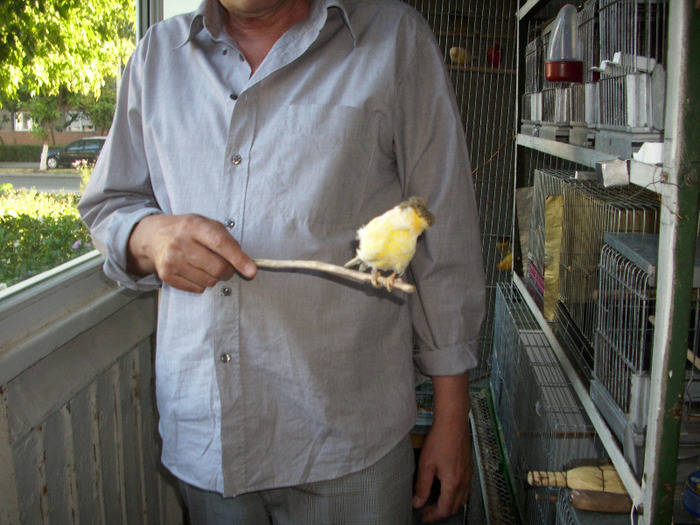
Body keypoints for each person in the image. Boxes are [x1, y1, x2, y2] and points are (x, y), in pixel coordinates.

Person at [78, 0, 486, 523]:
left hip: (348, 446)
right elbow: (110, 204)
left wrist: (452, 416)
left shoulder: (394, 40)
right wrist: (147, 237)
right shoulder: (157, 58)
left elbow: (441, 230)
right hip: (208, 442)